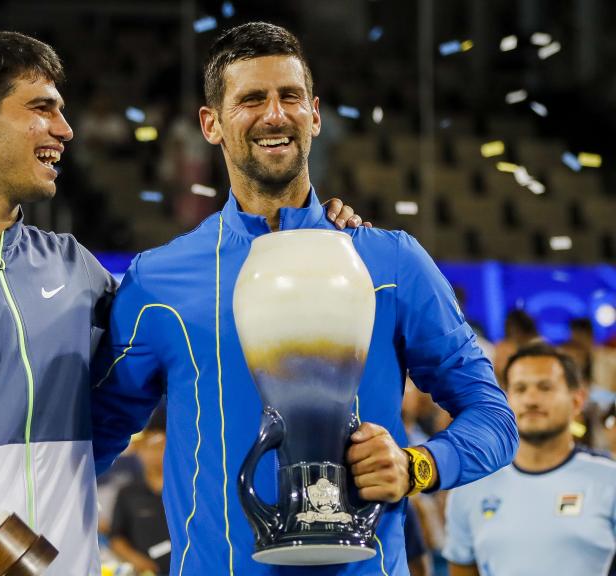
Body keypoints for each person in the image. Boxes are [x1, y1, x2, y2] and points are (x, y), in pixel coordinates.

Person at [0, 28, 366, 576]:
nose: (65, 130)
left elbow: (191, 319)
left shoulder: (76, 269)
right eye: (41, 109)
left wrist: (306, 231)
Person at [91, 22, 518, 576]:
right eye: (251, 99)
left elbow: (494, 418)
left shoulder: (389, 262)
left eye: (289, 96)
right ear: (211, 124)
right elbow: (91, 440)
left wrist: (418, 465)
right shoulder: (157, 281)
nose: (274, 115)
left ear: (314, 115)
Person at [444, 344, 616, 575]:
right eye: (520, 389)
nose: (531, 400)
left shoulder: (609, 480)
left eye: (545, 388)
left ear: (577, 400)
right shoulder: (470, 486)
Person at [109, 411, 171, 575]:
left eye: (161, 446)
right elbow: (116, 537)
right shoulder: (127, 493)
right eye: (149, 446)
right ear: (139, 449)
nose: (154, 453)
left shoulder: (186, 494)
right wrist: (139, 562)